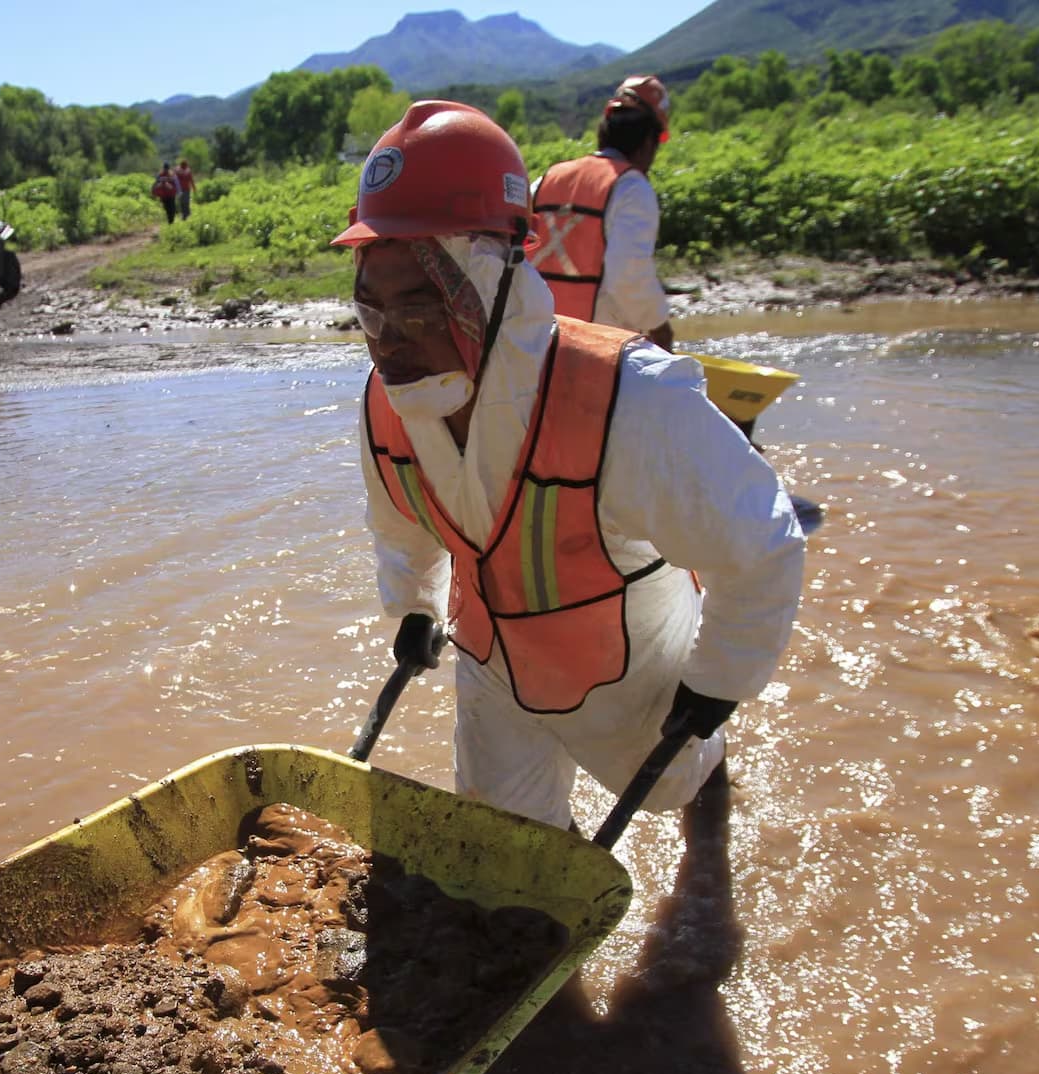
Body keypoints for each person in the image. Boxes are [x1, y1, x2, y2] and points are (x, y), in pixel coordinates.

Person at [333, 101, 804, 833]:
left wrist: (719, 682)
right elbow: (401, 521)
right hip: (493, 661)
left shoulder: (631, 397)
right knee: (506, 854)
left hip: (627, 665)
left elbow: (763, 545)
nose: (389, 341)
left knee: (675, 790)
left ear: (486, 280)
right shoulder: (384, 403)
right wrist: (416, 607)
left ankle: (710, 807)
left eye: (420, 305)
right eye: (373, 310)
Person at [531, 75, 675, 349]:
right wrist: (660, 329)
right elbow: (629, 275)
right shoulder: (632, 188)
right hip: (600, 351)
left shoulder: (546, 179)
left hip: (538, 343)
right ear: (649, 141)